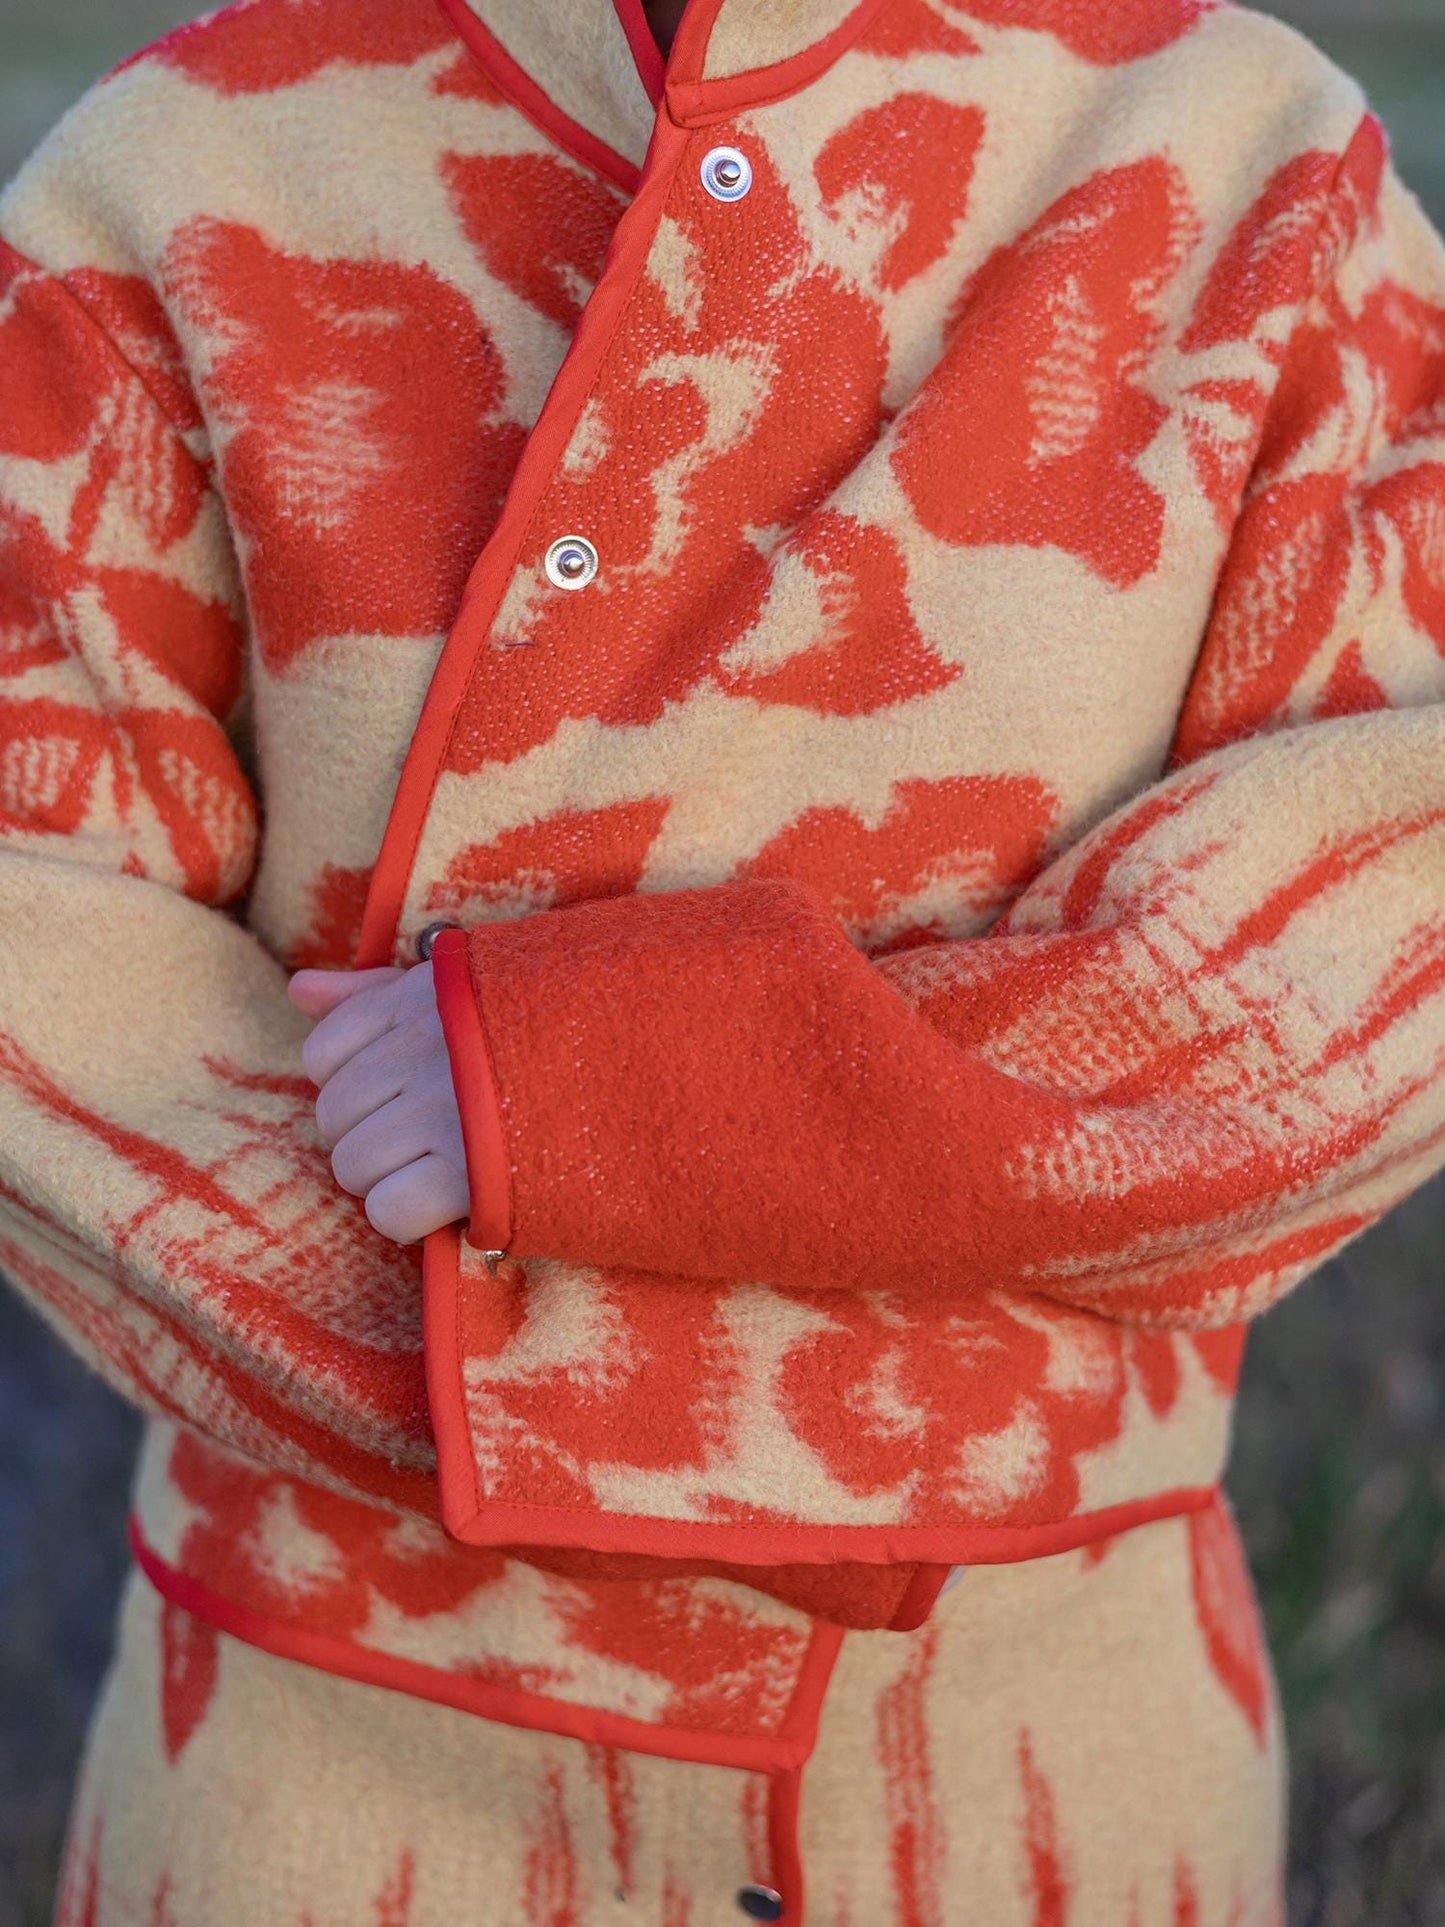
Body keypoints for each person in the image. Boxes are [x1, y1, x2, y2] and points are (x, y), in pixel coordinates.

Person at [1, 0, 1442, 1921]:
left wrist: (608, 1101)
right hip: (325, 1782)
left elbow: (1361, 958)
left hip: (1036, 1780)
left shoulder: (1251, 154)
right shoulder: (184, 157)